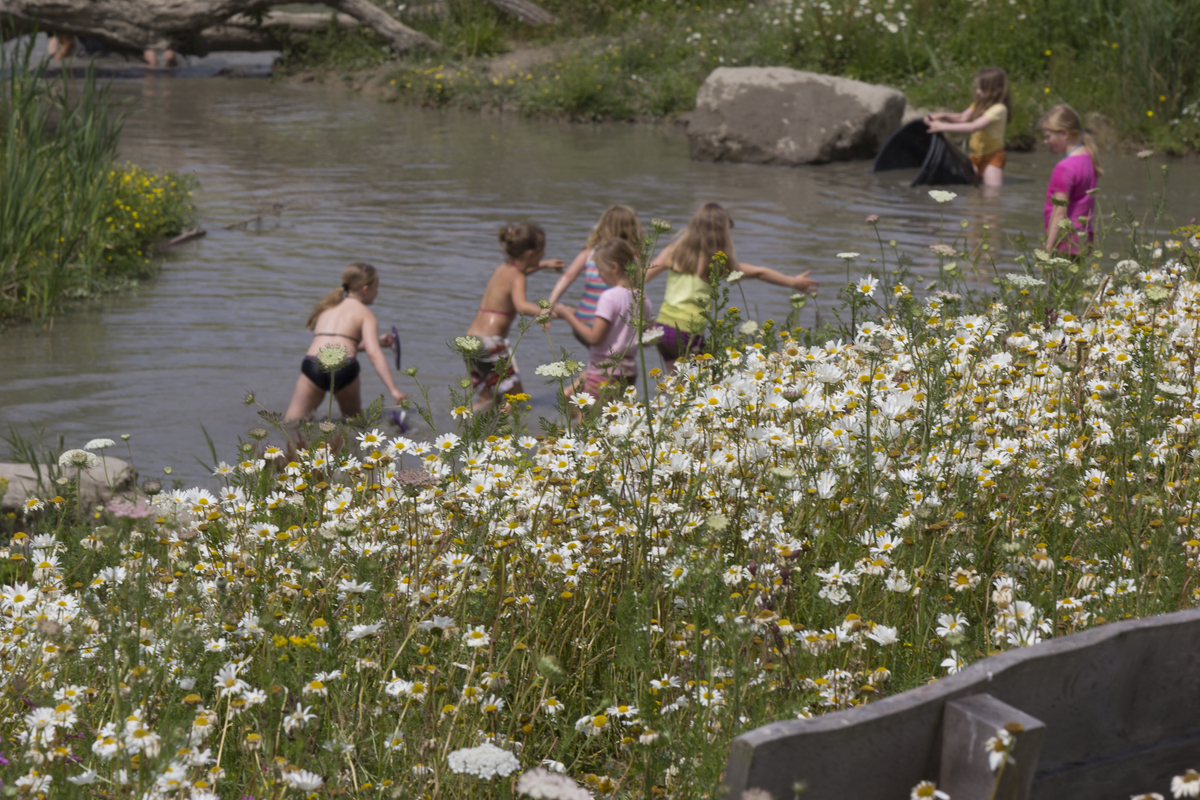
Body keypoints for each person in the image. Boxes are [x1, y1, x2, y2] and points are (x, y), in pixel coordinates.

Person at [645, 203, 818, 369]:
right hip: (687, 333)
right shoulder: (714, 261)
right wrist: (794, 282)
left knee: (676, 387)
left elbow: (641, 279)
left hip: (663, 330)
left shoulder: (673, 251)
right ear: (722, 234)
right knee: (712, 383)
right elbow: (760, 272)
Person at [284, 263, 406, 421]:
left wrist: (378, 341)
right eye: (376, 287)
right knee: (354, 427)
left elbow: (339, 343)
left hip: (313, 364)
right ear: (365, 289)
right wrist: (393, 389)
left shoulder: (327, 308)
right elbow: (373, 353)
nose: (377, 292)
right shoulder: (365, 314)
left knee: (292, 425)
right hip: (344, 369)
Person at [465, 224, 565, 409]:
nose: (544, 255)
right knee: (516, 399)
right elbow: (521, 305)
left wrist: (544, 265)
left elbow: (520, 272)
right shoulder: (518, 277)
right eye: (542, 252)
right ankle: (505, 436)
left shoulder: (503, 269)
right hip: (490, 343)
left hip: (471, 340)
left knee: (488, 399)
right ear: (530, 254)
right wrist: (546, 312)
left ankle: (464, 426)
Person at [552, 238, 651, 401]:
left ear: (613, 267)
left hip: (603, 373)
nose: (598, 274)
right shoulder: (642, 298)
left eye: (600, 269)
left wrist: (568, 315)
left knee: (589, 422)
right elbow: (647, 341)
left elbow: (594, 338)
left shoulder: (609, 297)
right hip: (629, 373)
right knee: (614, 419)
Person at [546, 205, 643, 340]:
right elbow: (636, 292)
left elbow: (567, 276)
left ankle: (569, 312)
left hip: (583, 323)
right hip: (612, 326)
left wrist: (549, 305)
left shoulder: (590, 252)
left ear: (603, 226)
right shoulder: (633, 259)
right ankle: (568, 312)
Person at [926, 67, 1011, 187]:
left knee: (992, 193)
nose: (977, 91)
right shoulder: (979, 104)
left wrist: (942, 126)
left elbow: (974, 127)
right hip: (974, 157)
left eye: (981, 88)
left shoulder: (999, 109)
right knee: (972, 192)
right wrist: (942, 115)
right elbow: (962, 117)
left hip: (993, 157)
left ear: (993, 90)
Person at [1041, 104, 1101, 255]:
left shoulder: (1065, 168)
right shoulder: (1088, 157)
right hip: (1083, 240)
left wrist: (1047, 250)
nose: (1045, 141)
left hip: (1064, 242)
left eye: (1048, 136)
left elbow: (1059, 213)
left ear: (1064, 133)